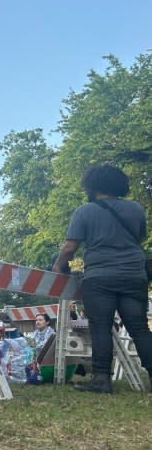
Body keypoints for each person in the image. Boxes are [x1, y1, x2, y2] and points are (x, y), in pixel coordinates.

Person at [52, 164, 152, 393]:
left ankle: (101, 379)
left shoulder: (84, 212)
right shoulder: (135, 209)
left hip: (100, 277)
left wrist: (58, 265)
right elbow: (139, 238)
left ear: (92, 186)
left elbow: (70, 248)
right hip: (134, 275)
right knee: (139, 328)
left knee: (100, 328)